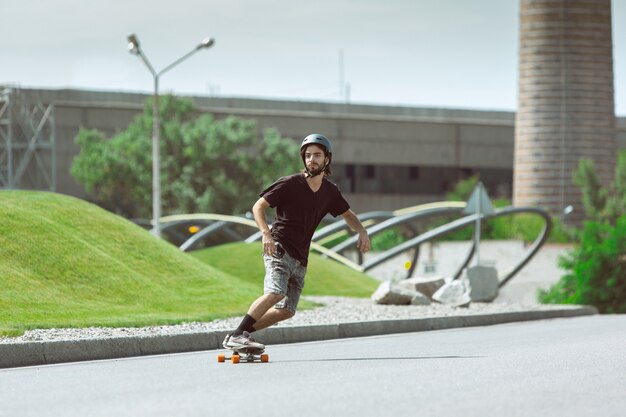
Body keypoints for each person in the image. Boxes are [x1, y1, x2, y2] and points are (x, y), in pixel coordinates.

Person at [223, 133, 371, 349]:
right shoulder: (290, 183)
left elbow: (348, 215)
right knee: (276, 292)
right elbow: (258, 206)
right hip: (279, 246)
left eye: (317, 155)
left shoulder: (330, 192)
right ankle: (238, 335)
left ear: (327, 159)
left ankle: (239, 334)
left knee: (287, 310)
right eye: (308, 155)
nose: (312, 159)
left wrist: (362, 232)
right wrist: (265, 233)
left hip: (301, 257)